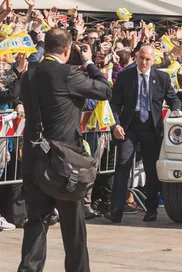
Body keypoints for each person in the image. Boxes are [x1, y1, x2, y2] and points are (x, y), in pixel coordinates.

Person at [18, 28, 112, 272]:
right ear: (68, 50)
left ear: (47, 47)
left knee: (36, 222)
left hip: (33, 157)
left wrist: (39, 46)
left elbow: (35, 59)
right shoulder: (68, 73)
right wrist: (90, 62)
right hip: (64, 162)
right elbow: (105, 89)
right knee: (73, 227)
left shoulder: (28, 75)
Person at [105, 45, 182, 224]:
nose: (144, 62)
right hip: (129, 126)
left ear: (153, 60)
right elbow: (115, 103)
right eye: (141, 58)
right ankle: (116, 209)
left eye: (148, 59)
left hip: (151, 127)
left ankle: (151, 209)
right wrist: (116, 124)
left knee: (150, 168)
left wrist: (177, 110)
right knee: (123, 164)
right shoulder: (125, 76)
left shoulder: (161, 78)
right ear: (136, 57)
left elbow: (173, 98)